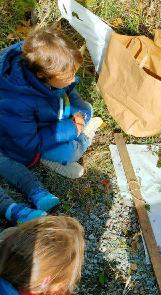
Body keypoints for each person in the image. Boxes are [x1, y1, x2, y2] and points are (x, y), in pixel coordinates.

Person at [0, 26, 103, 223]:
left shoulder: (38, 58)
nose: (73, 79)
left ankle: (77, 129)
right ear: (42, 76)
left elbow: (64, 88)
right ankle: (81, 140)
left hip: (48, 109)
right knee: (69, 152)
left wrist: (68, 92)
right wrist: (70, 129)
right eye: (67, 77)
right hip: (27, 141)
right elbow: (28, 143)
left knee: (86, 108)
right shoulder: (16, 103)